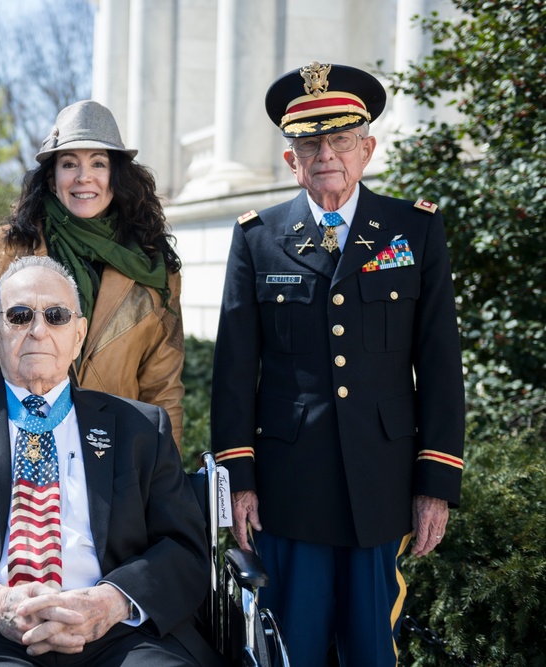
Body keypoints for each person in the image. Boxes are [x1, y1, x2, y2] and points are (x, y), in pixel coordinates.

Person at [210, 61, 465, 666]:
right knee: (291, 650)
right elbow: (234, 370)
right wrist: (237, 482)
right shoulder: (258, 237)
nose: (326, 153)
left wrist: (436, 484)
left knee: (373, 650)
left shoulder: (413, 230)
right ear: (289, 159)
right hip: (287, 488)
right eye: (309, 142)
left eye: (341, 139)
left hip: (383, 484)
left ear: (367, 148)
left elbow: (439, 362)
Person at [0, 256, 217, 667]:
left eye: (56, 316)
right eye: (19, 316)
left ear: (79, 334)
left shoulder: (140, 426)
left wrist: (110, 602)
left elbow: (184, 545)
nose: (38, 330)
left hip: (117, 631)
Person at [0, 100, 187, 447]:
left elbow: (163, 388)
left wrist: (163, 479)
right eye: (70, 164)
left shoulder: (155, 268)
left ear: (116, 175)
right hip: (10, 448)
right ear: (51, 179)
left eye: (98, 163)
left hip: (115, 457)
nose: (84, 177)